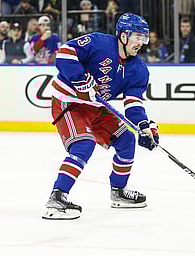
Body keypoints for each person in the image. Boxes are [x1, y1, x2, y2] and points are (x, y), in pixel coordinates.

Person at [42, 13, 159, 220]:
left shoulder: (139, 70)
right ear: (123, 36)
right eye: (137, 37)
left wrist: (144, 125)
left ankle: (119, 192)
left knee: (126, 139)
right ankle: (57, 197)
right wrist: (79, 80)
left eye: (144, 37)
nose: (141, 42)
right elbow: (65, 53)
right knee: (84, 144)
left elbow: (133, 103)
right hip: (69, 103)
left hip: (96, 108)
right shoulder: (100, 43)